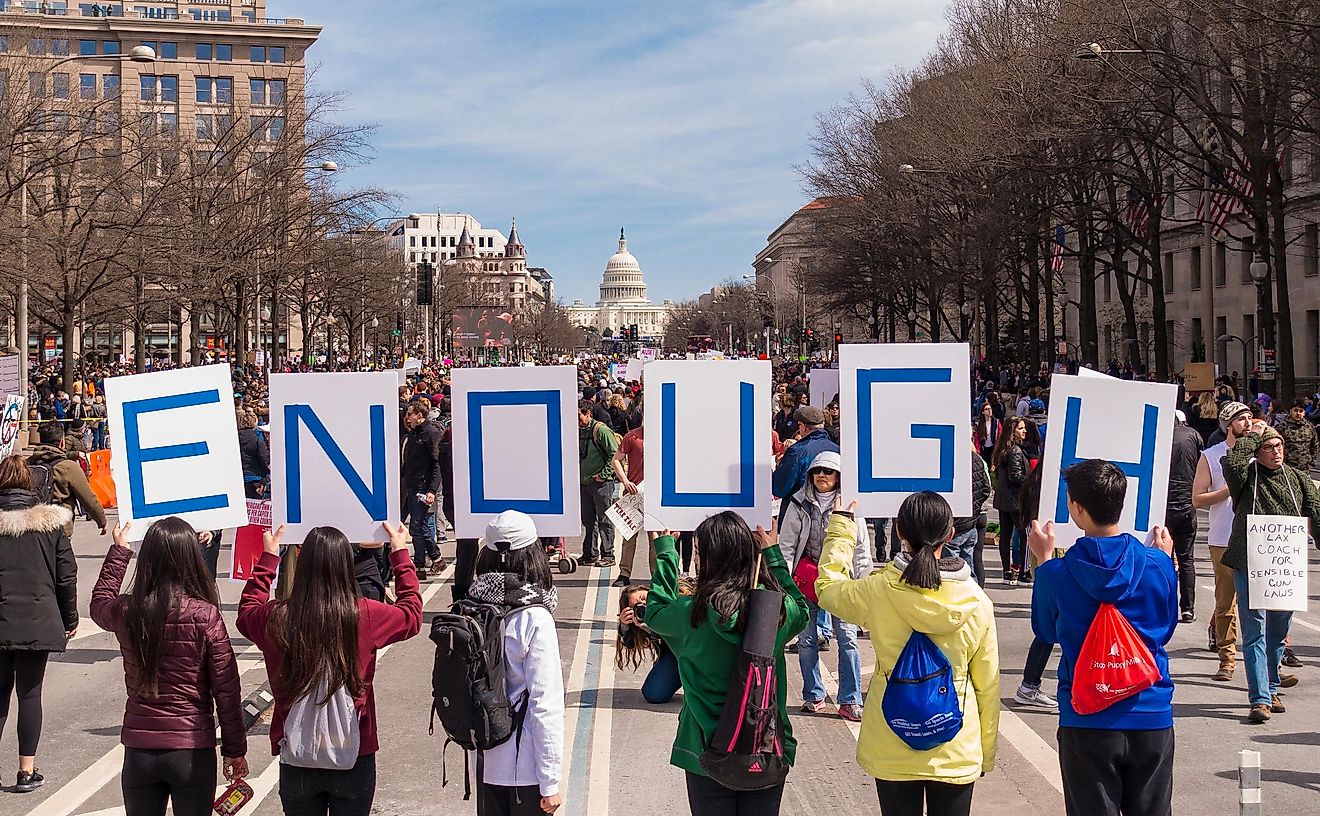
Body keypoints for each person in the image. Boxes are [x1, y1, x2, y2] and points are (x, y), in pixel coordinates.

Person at [816, 491, 999, 816]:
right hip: (955, 746)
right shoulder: (977, 602)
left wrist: (842, 527)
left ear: (899, 531)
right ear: (951, 533)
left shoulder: (877, 592)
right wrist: (985, 753)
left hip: (891, 740)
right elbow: (987, 687)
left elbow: (827, 588)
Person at [237, 521, 422, 816]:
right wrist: (400, 555)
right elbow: (411, 614)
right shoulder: (364, 614)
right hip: (354, 751)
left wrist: (268, 559)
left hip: (296, 754)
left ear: (302, 561)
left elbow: (246, 612)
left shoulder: (277, 616)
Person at [1028, 459, 1178, 816]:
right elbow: (1165, 628)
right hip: (1151, 710)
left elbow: (1046, 632)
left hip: (1087, 714)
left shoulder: (1057, 573)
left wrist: (1044, 559)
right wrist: (1166, 559)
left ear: (1078, 508)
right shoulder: (1157, 564)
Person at [645, 511, 810, 815]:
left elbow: (653, 611)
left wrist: (666, 554)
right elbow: (802, 606)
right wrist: (772, 554)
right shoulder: (776, 613)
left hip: (703, 749)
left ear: (705, 559)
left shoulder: (689, 613)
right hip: (765, 744)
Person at [92, 518, 247, 816]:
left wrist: (119, 551)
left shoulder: (128, 609)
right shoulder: (206, 615)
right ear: (191, 557)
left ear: (147, 556)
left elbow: (99, 604)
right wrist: (234, 750)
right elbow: (226, 691)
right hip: (191, 749)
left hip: (139, 750)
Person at [1219, 422, 1320, 723]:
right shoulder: (1245, 477)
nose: (1275, 452)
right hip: (1249, 562)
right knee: (1254, 632)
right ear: (1257, 452)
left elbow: (1316, 513)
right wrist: (1252, 435)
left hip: (1284, 567)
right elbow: (1234, 461)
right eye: (1268, 447)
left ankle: (1272, 688)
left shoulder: (1299, 480)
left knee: (1277, 632)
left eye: (1279, 446)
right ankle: (1259, 698)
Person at [468, 511, 564, 816]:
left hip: (483, 759)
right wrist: (550, 782)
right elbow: (545, 703)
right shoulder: (535, 617)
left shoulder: (472, 607)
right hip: (525, 768)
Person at [0, 455, 77, 793]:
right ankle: (26, 771)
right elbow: (66, 576)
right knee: (30, 694)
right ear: (31, 484)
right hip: (38, 618)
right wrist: (69, 619)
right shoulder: (51, 524)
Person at [780, 451, 870, 721]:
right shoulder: (798, 503)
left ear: (839, 476)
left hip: (842, 583)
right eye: (817, 470)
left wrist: (864, 586)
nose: (822, 475)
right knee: (807, 641)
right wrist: (784, 581)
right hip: (806, 582)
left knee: (848, 639)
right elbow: (787, 545)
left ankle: (851, 699)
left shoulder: (852, 506)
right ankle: (813, 694)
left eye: (829, 471)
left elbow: (861, 549)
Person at [1193, 402, 1251, 680]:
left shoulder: (1258, 456)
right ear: (1228, 425)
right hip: (1223, 538)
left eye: (1251, 417)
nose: (1248, 423)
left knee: (1261, 602)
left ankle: (1269, 664)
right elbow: (1198, 498)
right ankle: (1227, 659)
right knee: (1225, 601)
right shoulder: (1211, 456)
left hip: (1257, 537)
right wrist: (1229, 489)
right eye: (1241, 419)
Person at [27, 420, 107, 538]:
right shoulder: (68, 467)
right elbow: (88, 497)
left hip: (33, 526)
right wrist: (101, 521)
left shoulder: (26, 465)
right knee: (61, 556)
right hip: (60, 527)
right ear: (61, 442)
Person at [771, 405, 839, 522]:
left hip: (799, 514)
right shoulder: (837, 449)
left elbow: (780, 487)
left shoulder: (798, 451)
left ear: (802, 427)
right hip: (832, 512)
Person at [616, 584, 682, 704]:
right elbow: (631, 644)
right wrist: (625, 625)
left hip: (698, 649)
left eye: (643, 598)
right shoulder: (643, 620)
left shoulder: (676, 595)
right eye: (636, 607)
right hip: (675, 656)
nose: (643, 604)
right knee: (654, 693)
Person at [1166, 411, 1203, 623]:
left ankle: (1166, 606)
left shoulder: (1160, 437)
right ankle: (1188, 608)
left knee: (1163, 559)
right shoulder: (1193, 435)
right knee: (1186, 559)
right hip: (1187, 504)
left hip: (1164, 505)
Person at [401, 402, 443, 580]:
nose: (407, 418)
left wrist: (432, 489)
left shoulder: (431, 434)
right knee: (418, 526)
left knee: (417, 526)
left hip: (422, 487)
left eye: (410, 414)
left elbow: (436, 464)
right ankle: (421, 564)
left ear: (419, 415)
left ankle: (434, 558)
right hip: (410, 485)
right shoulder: (412, 434)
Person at [577, 400, 620, 568]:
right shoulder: (579, 431)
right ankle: (590, 553)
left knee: (604, 519)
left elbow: (614, 454)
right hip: (585, 483)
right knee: (588, 520)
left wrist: (604, 475)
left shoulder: (600, 430)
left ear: (588, 414)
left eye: (579, 415)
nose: (577, 419)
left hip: (601, 484)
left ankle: (608, 554)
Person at [990, 416, 1029, 585]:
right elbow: (1016, 476)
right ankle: (1023, 572)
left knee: (1005, 535)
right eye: (1021, 428)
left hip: (1003, 498)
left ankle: (1007, 571)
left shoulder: (1003, 449)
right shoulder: (1015, 451)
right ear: (1013, 431)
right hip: (1015, 499)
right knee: (1023, 535)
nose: (1024, 431)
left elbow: (1001, 475)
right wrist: (1031, 482)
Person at [611, 419, 649, 587]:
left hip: (654, 496)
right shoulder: (632, 436)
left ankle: (656, 574)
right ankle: (624, 573)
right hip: (634, 494)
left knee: (657, 539)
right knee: (628, 538)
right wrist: (625, 481)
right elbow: (616, 460)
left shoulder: (664, 436)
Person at [238, 409, 270, 499]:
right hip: (256, 478)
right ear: (255, 421)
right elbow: (264, 458)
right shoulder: (257, 436)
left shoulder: (236, 436)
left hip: (240, 477)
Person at [1279, 400, 1319, 472]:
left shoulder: (1309, 427)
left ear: (1304, 413)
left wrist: (1312, 462)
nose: (1298, 413)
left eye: (1301, 411)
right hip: (1288, 467)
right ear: (1290, 411)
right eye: (1295, 410)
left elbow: (1315, 445)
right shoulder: (1282, 426)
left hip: (1305, 467)